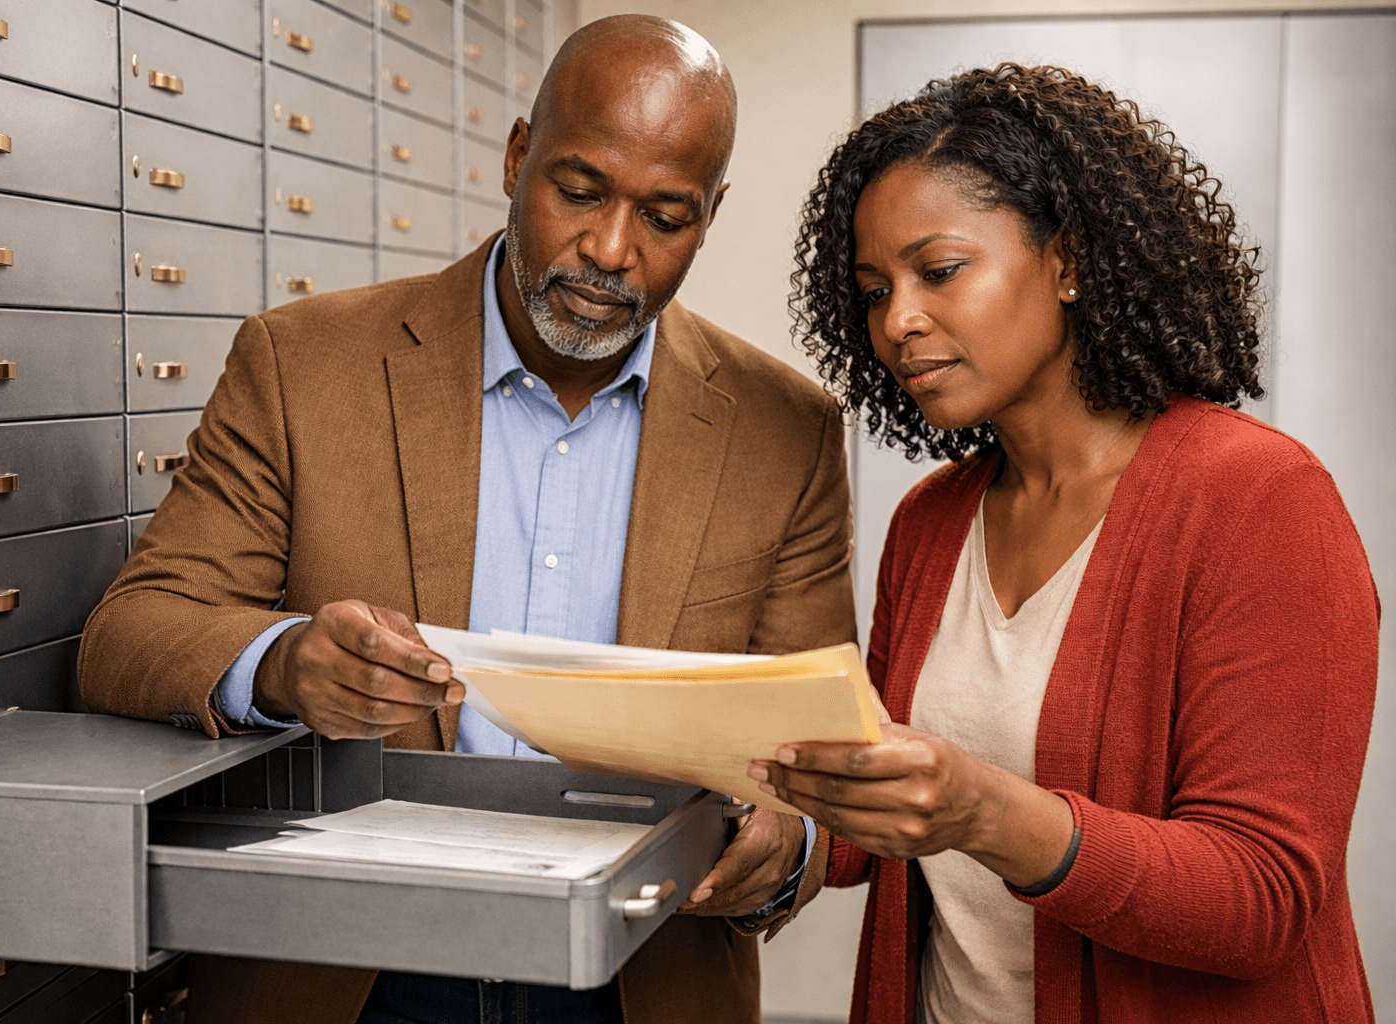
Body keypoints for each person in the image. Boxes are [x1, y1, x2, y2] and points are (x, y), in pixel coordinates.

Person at [80, 15, 855, 1024]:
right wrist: (283, 662)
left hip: (639, 972)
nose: (611, 249)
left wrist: (788, 839)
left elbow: (821, 756)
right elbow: (130, 633)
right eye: (579, 191)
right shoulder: (303, 364)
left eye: (665, 217)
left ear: (710, 215)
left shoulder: (785, 430)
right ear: (517, 156)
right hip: (341, 969)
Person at [757, 63, 1380, 1023]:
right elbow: (883, 805)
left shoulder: (1261, 501)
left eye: (941, 270)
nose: (898, 322)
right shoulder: (931, 524)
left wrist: (989, 813)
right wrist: (765, 824)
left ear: (1071, 259)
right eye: (874, 290)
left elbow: (1262, 898)